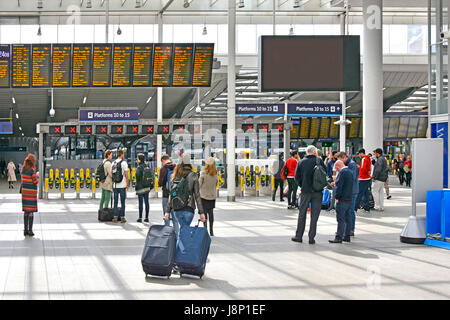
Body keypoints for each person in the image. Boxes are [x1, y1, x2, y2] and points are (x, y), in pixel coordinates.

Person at [164, 153, 206, 238]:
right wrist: (201, 212)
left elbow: (171, 195)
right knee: (184, 231)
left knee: (183, 229)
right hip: (189, 208)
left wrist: (167, 211)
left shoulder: (175, 176)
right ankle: (181, 249)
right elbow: (197, 195)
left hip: (177, 209)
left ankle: (180, 249)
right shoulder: (193, 175)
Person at [291, 145, 326, 245]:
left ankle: (299, 236)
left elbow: (296, 177)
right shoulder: (319, 161)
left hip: (305, 192)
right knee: (314, 216)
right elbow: (325, 174)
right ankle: (311, 238)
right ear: (315, 152)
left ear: (306, 152)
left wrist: (303, 185)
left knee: (302, 214)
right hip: (318, 192)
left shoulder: (301, 162)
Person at [329, 160, 354, 243]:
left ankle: (339, 237)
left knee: (340, 219)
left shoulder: (342, 173)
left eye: (336, 169)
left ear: (338, 166)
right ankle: (347, 236)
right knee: (348, 218)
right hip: (349, 199)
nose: (337, 171)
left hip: (342, 199)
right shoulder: (350, 172)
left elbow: (339, 187)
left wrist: (337, 197)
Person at [336, 152, 358, 237]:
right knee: (347, 212)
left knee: (349, 212)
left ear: (344, 158)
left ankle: (350, 230)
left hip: (351, 192)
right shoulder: (349, 165)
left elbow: (352, 178)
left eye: (340, 160)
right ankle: (345, 231)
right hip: (350, 191)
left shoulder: (351, 165)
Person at [199, 157, 219, 236]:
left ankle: (205, 229)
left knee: (204, 213)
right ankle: (211, 230)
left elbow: (199, 184)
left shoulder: (203, 173)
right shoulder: (216, 174)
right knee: (211, 213)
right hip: (212, 196)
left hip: (204, 196)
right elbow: (216, 183)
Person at [158, 154, 178, 233]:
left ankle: (167, 235)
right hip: (175, 195)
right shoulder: (176, 167)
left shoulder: (163, 169)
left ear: (163, 160)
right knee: (175, 218)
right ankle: (177, 235)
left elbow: (160, 183)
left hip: (166, 195)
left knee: (166, 216)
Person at [21, 154, 39, 237]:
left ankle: (25, 230)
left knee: (26, 211)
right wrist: (37, 176)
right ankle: (30, 230)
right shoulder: (32, 171)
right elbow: (35, 181)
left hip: (25, 194)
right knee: (31, 211)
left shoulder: (23, 170)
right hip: (31, 194)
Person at [112, 149, 129, 223]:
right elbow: (126, 175)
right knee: (123, 202)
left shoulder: (113, 163)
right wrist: (127, 184)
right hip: (122, 186)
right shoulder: (124, 163)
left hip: (115, 186)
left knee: (115, 202)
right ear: (121, 154)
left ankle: (115, 217)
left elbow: (112, 173)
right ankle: (122, 217)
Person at [135, 153, 151, 223]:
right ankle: (147, 217)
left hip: (140, 187)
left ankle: (140, 217)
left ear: (139, 159)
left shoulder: (139, 167)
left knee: (140, 202)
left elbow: (137, 176)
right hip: (147, 186)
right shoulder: (147, 166)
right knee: (147, 202)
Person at [355, 149, 372, 213]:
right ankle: (366, 207)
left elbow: (363, 168)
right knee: (366, 193)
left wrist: (359, 168)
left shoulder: (364, 159)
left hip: (362, 178)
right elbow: (368, 168)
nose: (359, 155)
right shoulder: (368, 158)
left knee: (359, 193)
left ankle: (355, 208)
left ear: (361, 153)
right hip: (367, 178)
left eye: (359, 154)